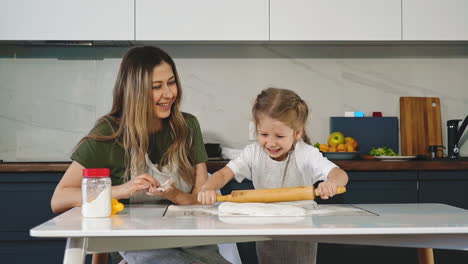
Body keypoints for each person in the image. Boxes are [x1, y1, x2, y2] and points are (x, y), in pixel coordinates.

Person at [51, 46, 230, 264]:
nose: (169, 94)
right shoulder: (110, 132)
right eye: (156, 87)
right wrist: (120, 190)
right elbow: (59, 198)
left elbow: (202, 199)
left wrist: (174, 195)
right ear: (135, 91)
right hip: (136, 251)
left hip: (195, 247)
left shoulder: (187, 126)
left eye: (171, 82)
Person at [198, 87, 349, 264]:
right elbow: (223, 174)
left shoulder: (305, 153)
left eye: (279, 136)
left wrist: (330, 183)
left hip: (301, 229)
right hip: (266, 227)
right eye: (263, 134)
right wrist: (209, 187)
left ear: (297, 133)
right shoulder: (253, 153)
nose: (271, 143)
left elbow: (340, 174)